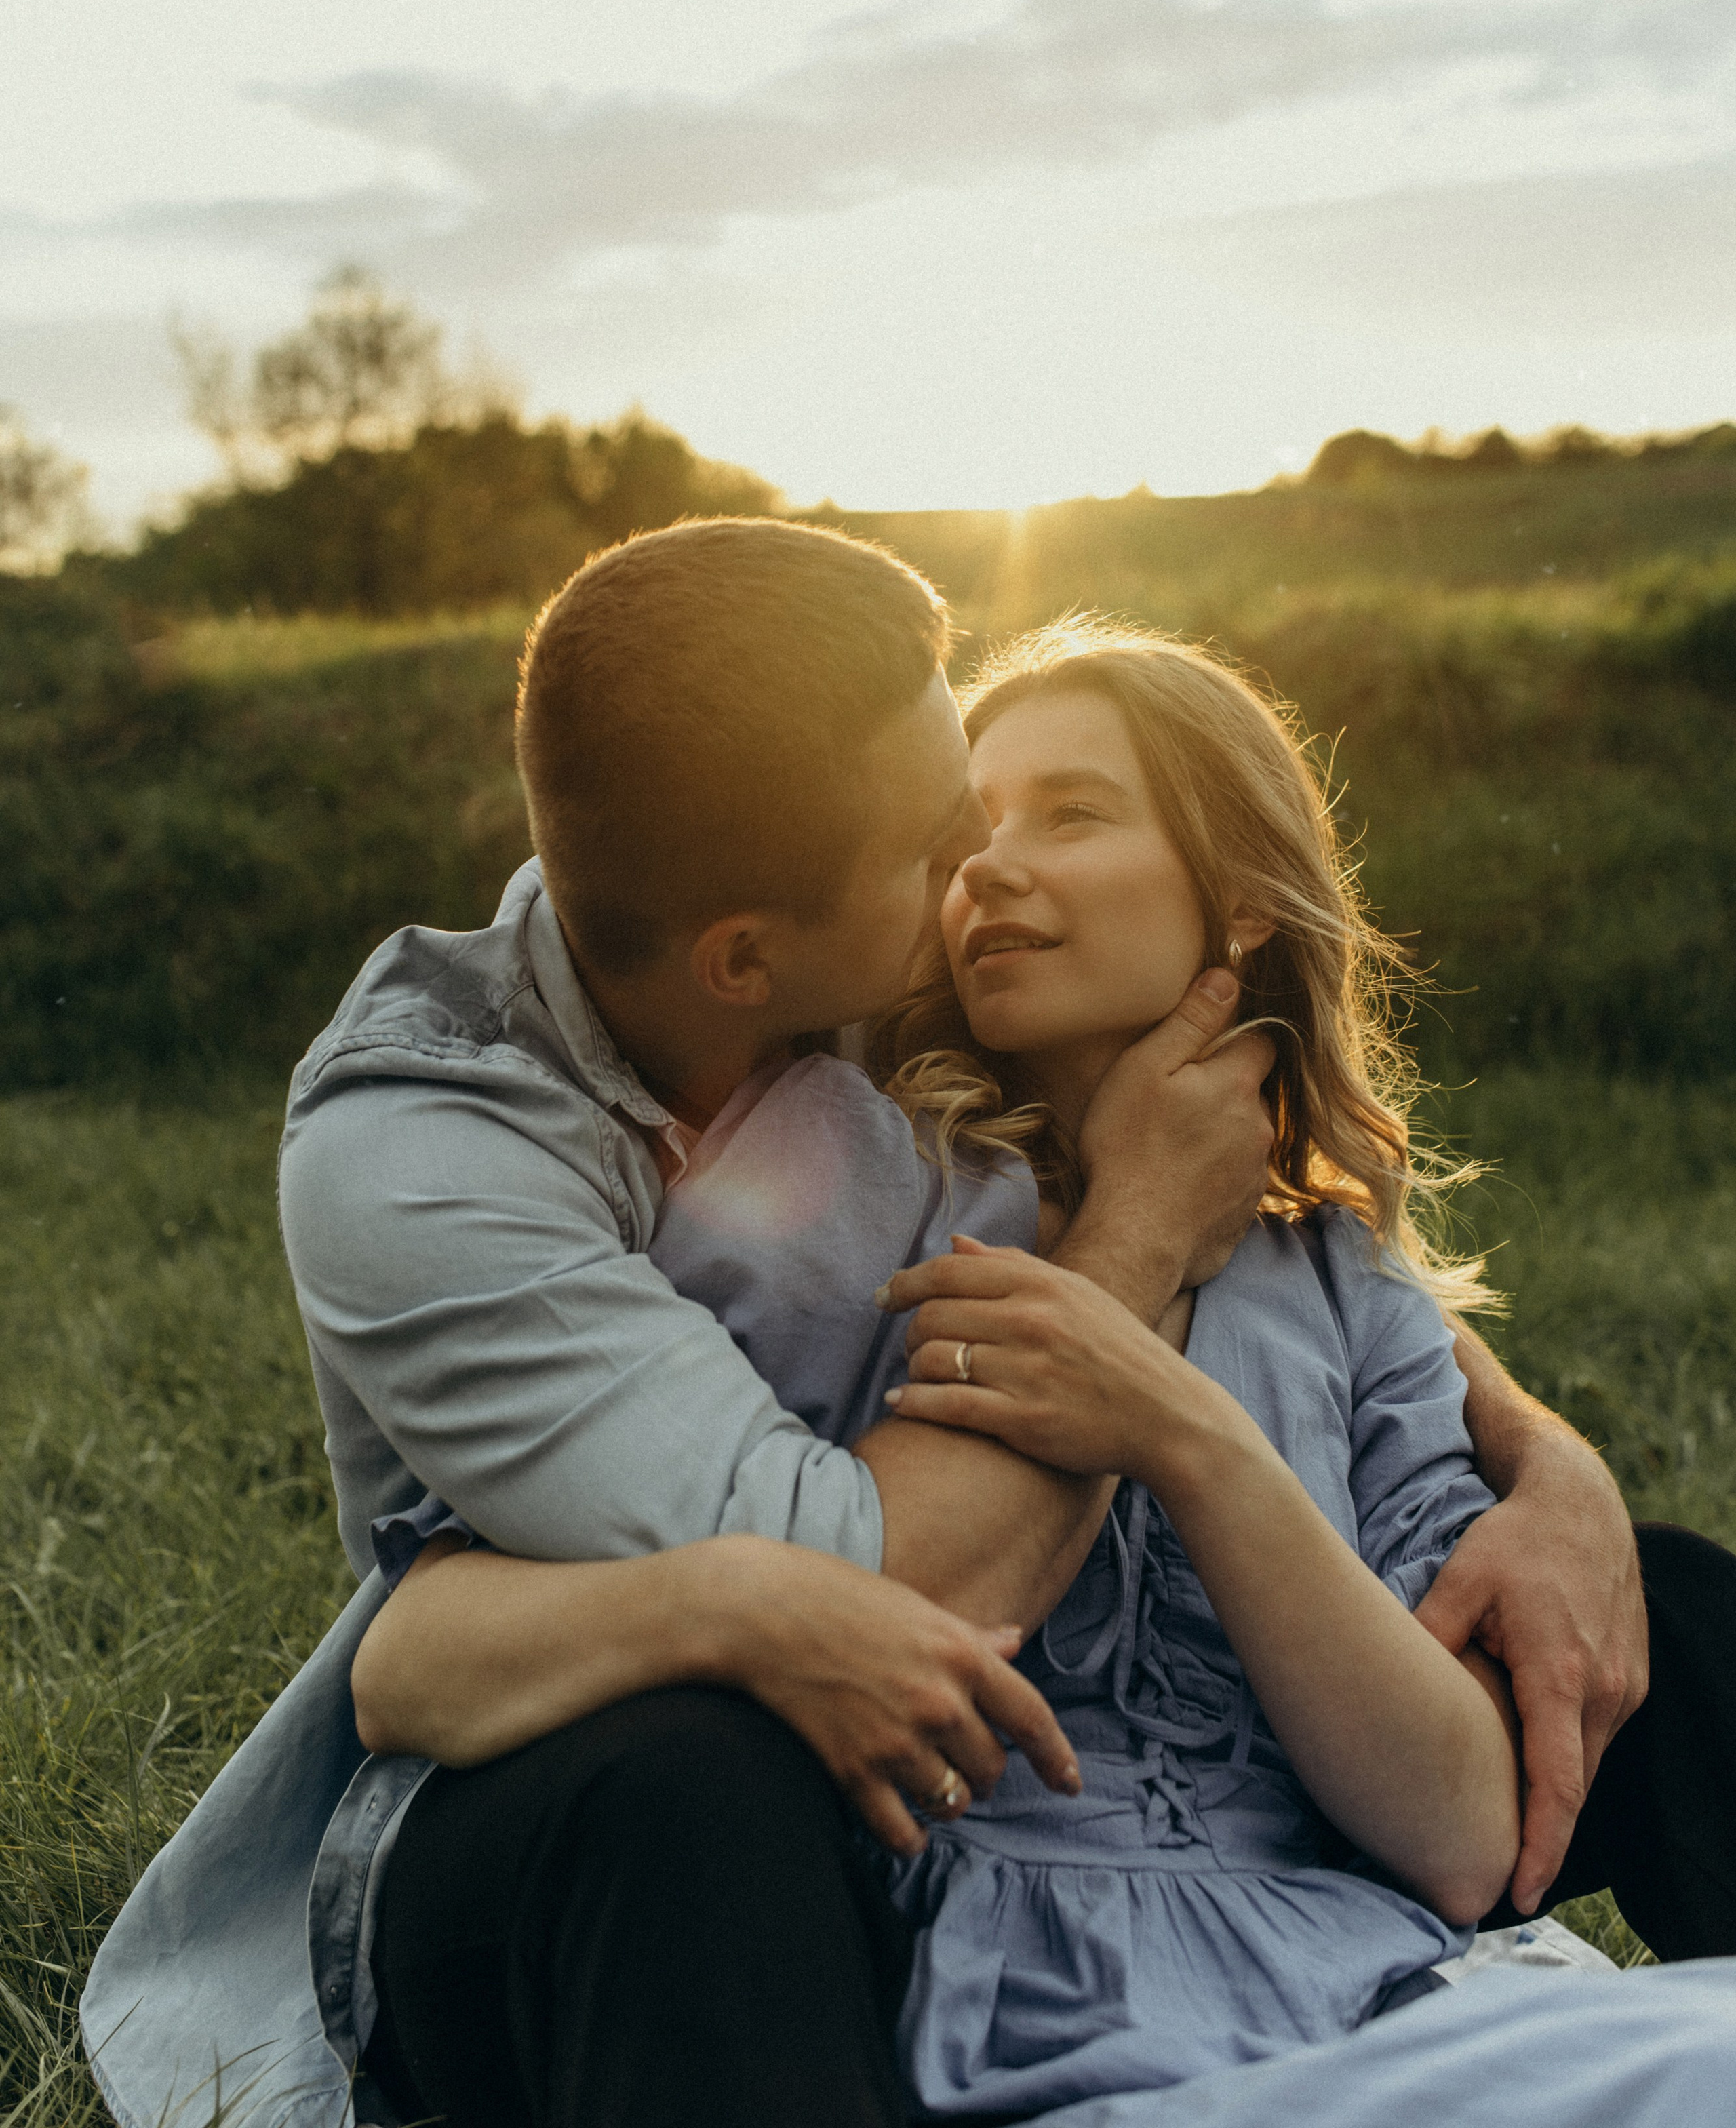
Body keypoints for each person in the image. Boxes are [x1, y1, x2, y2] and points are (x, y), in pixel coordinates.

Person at [82, 527, 1653, 2128]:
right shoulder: (444, 1154)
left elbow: (1336, 1312)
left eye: (1043, 811)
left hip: (1281, 1911)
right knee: (693, 1787)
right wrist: (1129, 1257)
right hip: (618, 1803)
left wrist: (1545, 1462)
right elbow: (843, 1590)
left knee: (1675, 1614)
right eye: (939, 841)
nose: (980, 859)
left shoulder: (893, 961)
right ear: (751, 962)